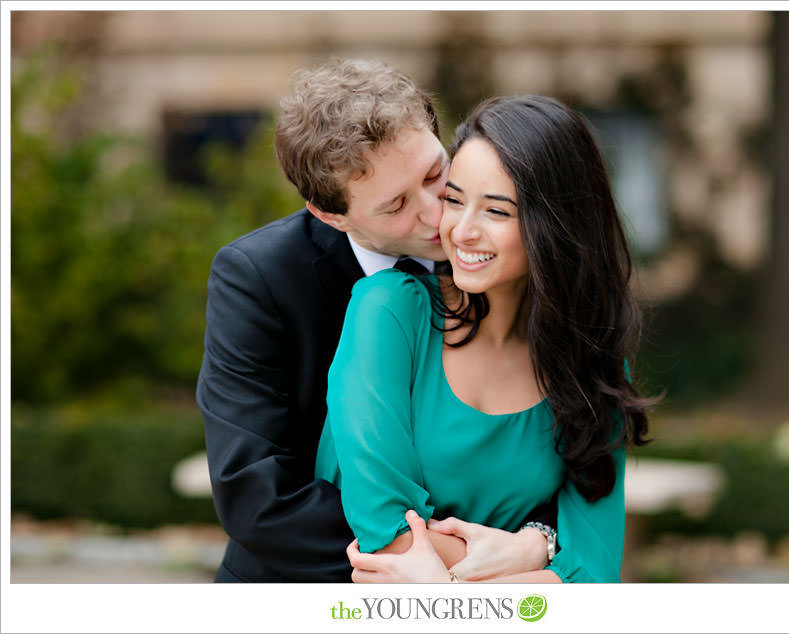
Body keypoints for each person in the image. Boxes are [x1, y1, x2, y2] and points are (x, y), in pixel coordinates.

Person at [196, 59, 555, 582]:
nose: (439, 215)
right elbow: (256, 494)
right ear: (330, 214)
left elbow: (565, 449)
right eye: (396, 207)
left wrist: (535, 541)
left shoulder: (511, 249)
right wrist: (426, 561)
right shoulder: (259, 278)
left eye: (436, 174)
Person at [315, 94, 655, 583]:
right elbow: (389, 536)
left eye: (497, 211)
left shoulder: (591, 362)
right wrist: (537, 559)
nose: (460, 230)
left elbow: (596, 574)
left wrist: (476, 569)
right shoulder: (388, 311)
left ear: (554, 227)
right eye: (454, 199)